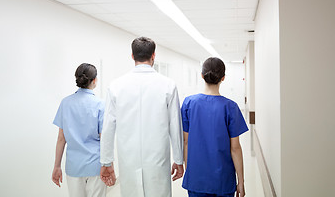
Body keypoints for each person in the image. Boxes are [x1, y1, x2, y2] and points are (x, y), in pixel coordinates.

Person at [100, 37, 184, 197]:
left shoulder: (116, 86)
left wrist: (106, 161)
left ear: (132, 56)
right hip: (158, 160)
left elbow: (108, 127)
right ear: (153, 55)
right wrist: (178, 160)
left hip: (128, 160)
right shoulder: (168, 85)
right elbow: (175, 125)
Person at [181, 57, 249, 197]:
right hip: (223, 180)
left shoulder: (189, 104)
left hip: (196, 179)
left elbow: (186, 142)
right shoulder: (230, 107)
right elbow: (235, 148)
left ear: (202, 76)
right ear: (223, 78)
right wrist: (240, 181)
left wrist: (190, 172)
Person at [51, 63, 107, 197]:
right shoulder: (100, 104)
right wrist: (108, 165)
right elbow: (104, 139)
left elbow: (61, 138)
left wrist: (57, 166)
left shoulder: (65, 103)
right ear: (94, 81)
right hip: (95, 165)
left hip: (74, 166)